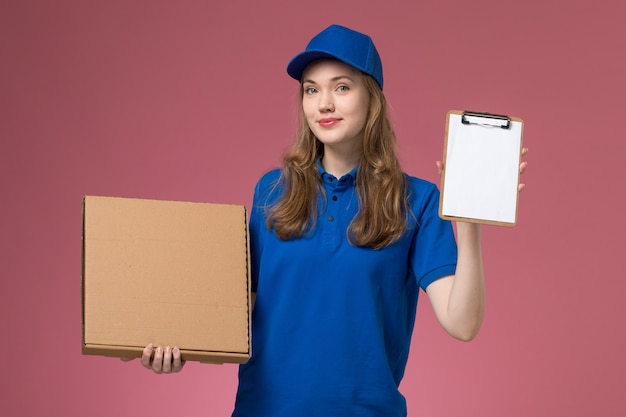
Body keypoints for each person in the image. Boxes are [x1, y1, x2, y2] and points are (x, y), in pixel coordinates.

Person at [134, 24, 528, 416]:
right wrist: (179, 344)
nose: (324, 104)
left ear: (371, 98)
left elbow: (462, 324)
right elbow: (240, 314)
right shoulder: (271, 192)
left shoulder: (417, 200)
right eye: (311, 89)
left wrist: (469, 222)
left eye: (341, 87)